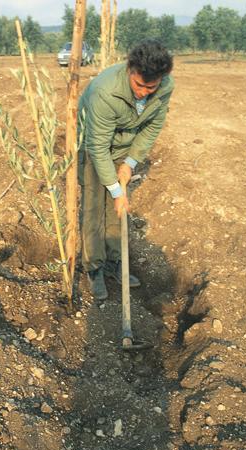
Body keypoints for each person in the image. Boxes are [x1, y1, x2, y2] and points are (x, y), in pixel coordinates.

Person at [78, 39, 174, 300]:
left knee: (116, 211)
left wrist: (129, 164)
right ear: (130, 69)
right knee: (95, 206)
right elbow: (97, 146)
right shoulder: (105, 91)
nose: (144, 92)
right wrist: (117, 190)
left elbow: (152, 127)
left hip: (123, 144)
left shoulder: (165, 87)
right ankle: (95, 268)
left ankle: (114, 263)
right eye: (139, 85)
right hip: (94, 143)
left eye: (150, 87)